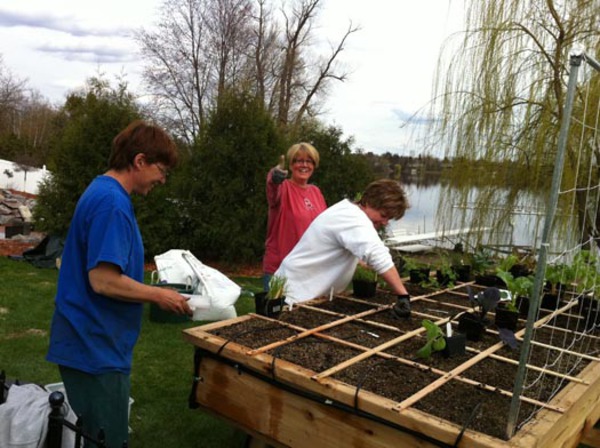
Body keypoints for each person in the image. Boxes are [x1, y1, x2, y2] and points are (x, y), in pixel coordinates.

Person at [46, 120, 192, 448]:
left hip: (89, 342)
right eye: (161, 169)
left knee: (87, 435)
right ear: (139, 161)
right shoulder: (111, 203)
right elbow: (103, 280)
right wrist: (159, 295)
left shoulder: (104, 192)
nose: (163, 179)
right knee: (105, 440)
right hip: (94, 346)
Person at [275, 179, 412, 318]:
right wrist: (403, 296)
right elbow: (377, 255)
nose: (384, 222)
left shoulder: (348, 211)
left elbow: (352, 247)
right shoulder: (353, 218)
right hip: (294, 294)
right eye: (383, 215)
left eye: (388, 218)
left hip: (304, 291)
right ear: (369, 203)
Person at [263, 142, 327, 290]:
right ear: (291, 165)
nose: (304, 165)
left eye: (309, 161)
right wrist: (274, 176)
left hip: (309, 269)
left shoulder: (316, 192)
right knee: (277, 313)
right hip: (281, 269)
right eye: (299, 160)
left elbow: (326, 227)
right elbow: (272, 188)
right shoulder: (283, 187)